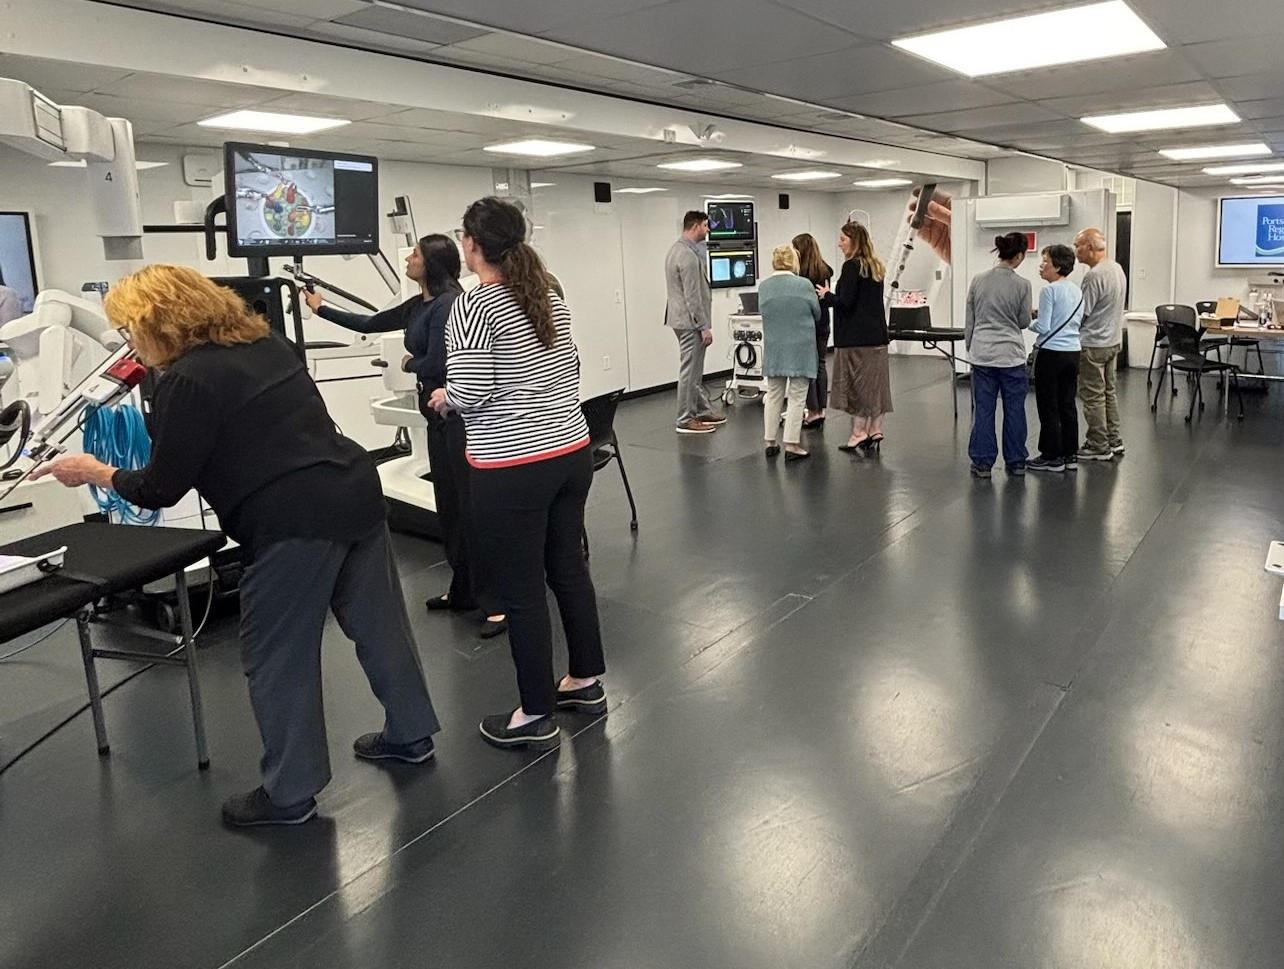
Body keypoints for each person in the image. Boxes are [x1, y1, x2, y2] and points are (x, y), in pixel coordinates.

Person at [32, 265, 440, 826]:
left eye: (130, 330)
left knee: (277, 659)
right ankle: (412, 734)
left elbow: (159, 488)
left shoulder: (187, 381)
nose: (128, 342)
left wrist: (95, 471)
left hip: (289, 524)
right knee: (380, 626)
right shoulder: (263, 342)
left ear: (158, 322)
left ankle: (289, 793)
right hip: (353, 492)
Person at [430, 197, 606, 752]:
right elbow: (564, 366)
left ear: (474, 245)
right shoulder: (548, 295)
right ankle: (585, 681)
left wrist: (444, 398)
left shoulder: (475, 304)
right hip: (571, 453)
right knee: (568, 571)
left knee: (524, 592)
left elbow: (472, 389)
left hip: (512, 467)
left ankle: (534, 712)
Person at [306, 237, 507, 639]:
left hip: (459, 416)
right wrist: (321, 308)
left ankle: (497, 603)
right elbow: (370, 323)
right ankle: (463, 590)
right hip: (436, 417)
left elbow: (440, 360)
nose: (409, 259)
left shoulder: (451, 304)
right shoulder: (419, 304)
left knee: (470, 510)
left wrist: (410, 362)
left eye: (415, 254)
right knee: (449, 508)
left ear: (431, 262)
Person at [818, 221, 892, 454]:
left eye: (842, 239)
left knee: (858, 387)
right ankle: (875, 429)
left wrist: (827, 294)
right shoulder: (876, 267)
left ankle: (858, 433)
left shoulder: (852, 267)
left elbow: (846, 303)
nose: (839, 244)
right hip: (877, 338)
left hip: (856, 340)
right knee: (877, 385)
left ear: (854, 241)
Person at [965, 233, 1033, 478]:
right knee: (1015, 409)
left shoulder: (977, 280)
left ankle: (983, 463)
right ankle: (1016, 462)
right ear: (1019, 256)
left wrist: (971, 348)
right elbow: (1024, 322)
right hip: (1011, 356)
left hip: (982, 354)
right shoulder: (1023, 284)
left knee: (984, 410)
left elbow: (970, 320)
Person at [664, 210, 725, 434]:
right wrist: (703, 326)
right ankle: (685, 418)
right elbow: (692, 295)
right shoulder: (687, 256)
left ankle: (700, 410)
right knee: (689, 371)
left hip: (682, 319)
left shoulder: (676, 250)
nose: (708, 230)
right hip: (690, 322)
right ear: (696, 226)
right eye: (706, 226)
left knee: (695, 370)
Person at [758, 245, 819, 462]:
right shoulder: (804, 285)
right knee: (797, 396)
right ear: (793, 261)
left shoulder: (764, 287)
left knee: (773, 395)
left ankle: (770, 441)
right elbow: (817, 313)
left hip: (775, 348)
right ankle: (792, 444)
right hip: (800, 347)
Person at [1027, 244, 1084, 474]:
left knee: (1048, 405)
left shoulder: (1049, 291)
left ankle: (1051, 455)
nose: (1041, 266)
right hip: (1073, 352)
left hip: (1051, 354)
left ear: (1057, 266)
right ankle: (1070, 454)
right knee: (1068, 404)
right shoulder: (1077, 290)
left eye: (1045, 262)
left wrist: (1024, 321)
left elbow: (1044, 326)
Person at [1073, 227, 1127, 461]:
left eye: (1078, 245)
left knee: (1093, 395)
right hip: (1113, 340)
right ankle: (1114, 440)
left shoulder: (1094, 276)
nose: (1076, 251)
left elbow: (1082, 313)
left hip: (1093, 343)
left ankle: (1097, 445)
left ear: (1090, 247)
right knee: (1108, 392)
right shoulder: (1116, 268)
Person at [791, 232, 832, 428]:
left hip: (807, 325)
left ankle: (812, 410)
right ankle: (820, 409)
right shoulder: (825, 271)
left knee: (808, 368)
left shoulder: (801, 277)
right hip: (824, 324)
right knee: (820, 364)